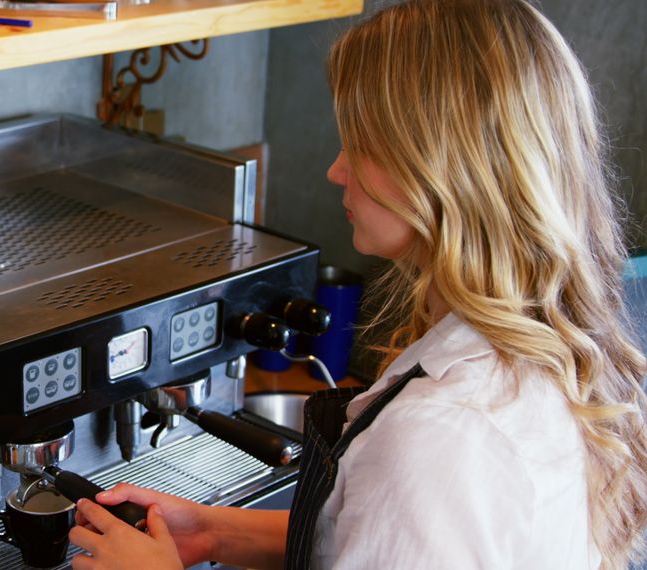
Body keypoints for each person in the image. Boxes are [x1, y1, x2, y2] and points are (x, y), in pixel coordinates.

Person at [67, 0, 647, 568]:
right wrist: (215, 531)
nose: (336, 169)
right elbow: (384, 537)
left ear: (441, 167)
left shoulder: (442, 441)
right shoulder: (542, 349)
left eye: (362, 145)